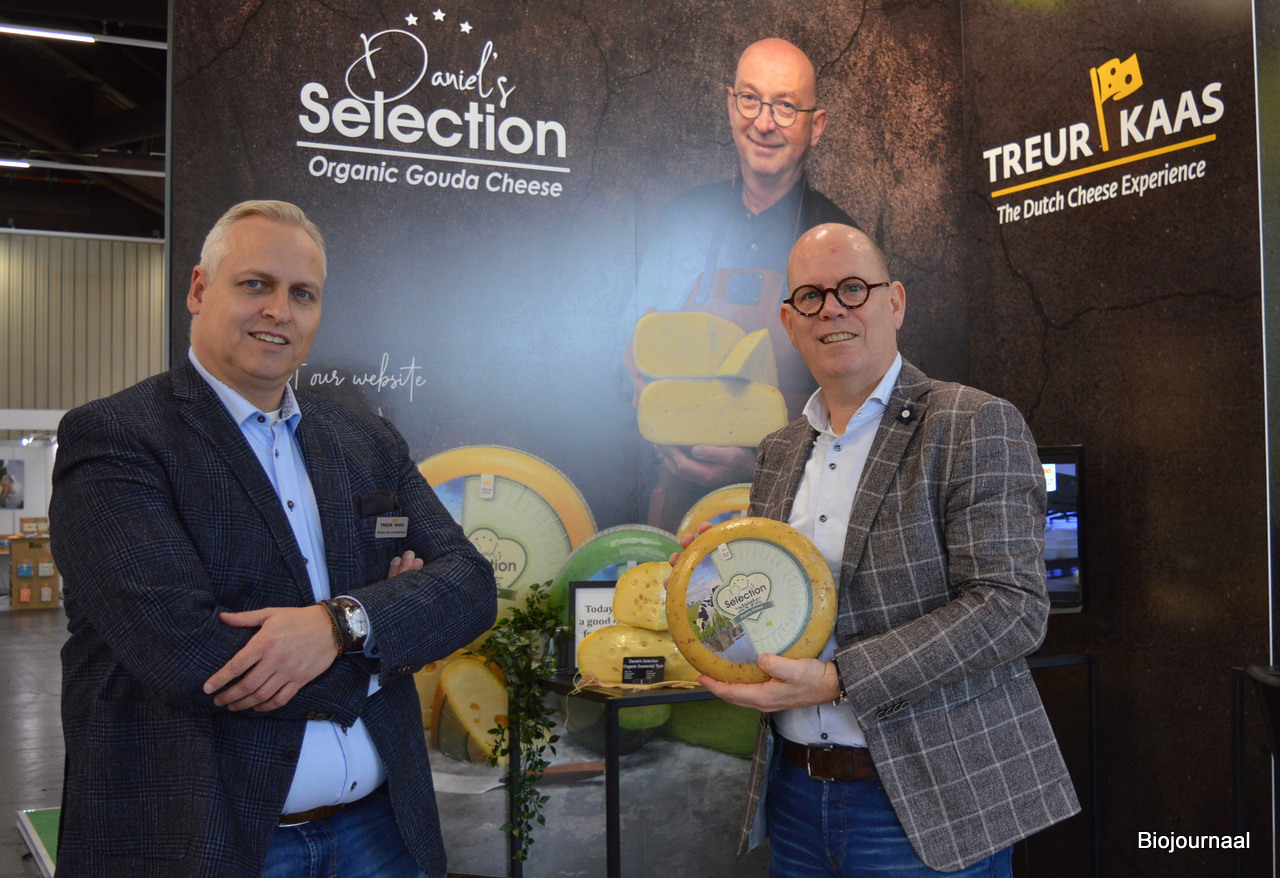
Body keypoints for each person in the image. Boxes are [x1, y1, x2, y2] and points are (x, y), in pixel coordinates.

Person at [49, 200, 497, 878]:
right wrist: (391, 642)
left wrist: (341, 624)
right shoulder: (117, 440)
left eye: (302, 294)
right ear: (199, 289)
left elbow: (470, 584)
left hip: (382, 833)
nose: (278, 310)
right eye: (255, 283)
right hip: (211, 842)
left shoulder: (365, 440)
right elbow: (188, 653)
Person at [693, 224, 1080, 876]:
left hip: (930, 802)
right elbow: (774, 601)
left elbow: (1011, 608)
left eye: (852, 288)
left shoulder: (972, 422)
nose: (832, 309)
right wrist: (704, 583)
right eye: (810, 296)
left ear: (894, 302)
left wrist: (838, 680)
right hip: (794, 794)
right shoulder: (779, 451)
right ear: (789, 323)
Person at [634, 37, 857, 530]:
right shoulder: (683, 222)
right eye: (751, 99)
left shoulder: (841, 243)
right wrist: (663, 428)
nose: (763, 122)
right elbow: (634, 354)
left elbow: (861, 402)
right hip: (678, 502)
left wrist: (761, 462)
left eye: (785, 106)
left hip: (799, 510)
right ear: (730, 104)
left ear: (816, 125)